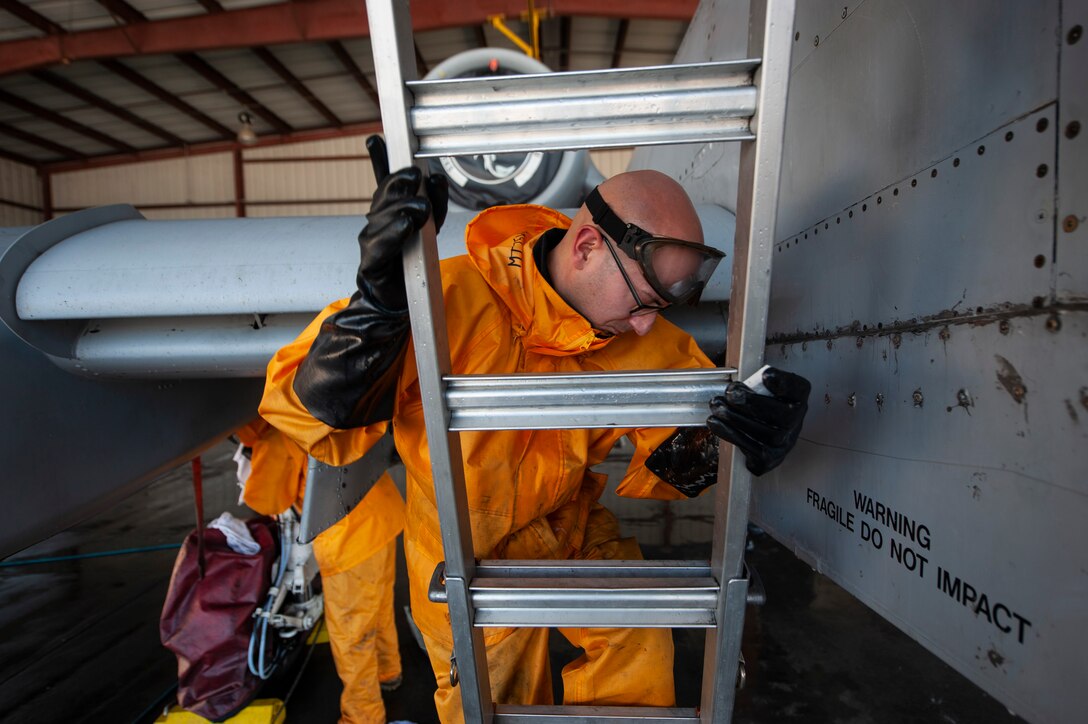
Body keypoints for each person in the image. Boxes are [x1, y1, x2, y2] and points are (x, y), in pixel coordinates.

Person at [259, 136, 810, 721]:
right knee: (494, 695)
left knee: (638, 637)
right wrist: (377, 314)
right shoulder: (446, 301)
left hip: (567, 524)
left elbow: (680, 454)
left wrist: (747, 436)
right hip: (459, 545)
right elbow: (302, 409)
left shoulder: (635, 338)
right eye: (643, 301)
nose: (648, 327)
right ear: (588, 247)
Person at [234, 416, 406, 724]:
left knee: (351, 634)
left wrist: (255, 462)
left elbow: (269, 499)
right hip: (382, 517)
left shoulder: (276, 436)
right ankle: (388, 670)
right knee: (378, 607)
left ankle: (363, 716)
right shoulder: (309, 413)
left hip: (349, 541)